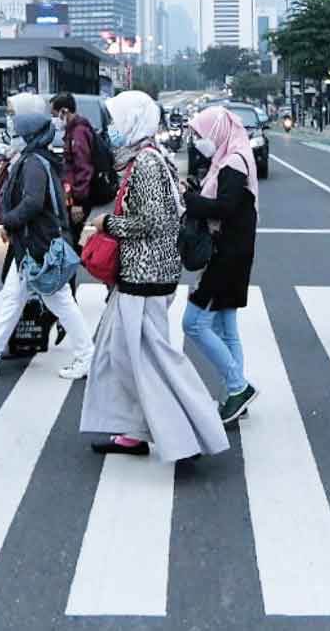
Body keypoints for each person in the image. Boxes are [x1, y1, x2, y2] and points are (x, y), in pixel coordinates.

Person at [80, 92, 229, 461]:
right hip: (144, 273)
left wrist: (105, 223)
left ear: (134, 121)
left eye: (116, 121)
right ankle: (136, 430)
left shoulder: (145, 163)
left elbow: (153, 221)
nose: (111, 130)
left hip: (145, 276)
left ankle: (189, 430)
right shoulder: (148, 157)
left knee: (149, 359)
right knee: (127, 356)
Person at [0, 94, 94, 379]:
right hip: (30, 242)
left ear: (29, 135)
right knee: (13, 298)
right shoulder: (32, 158)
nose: (12, 137)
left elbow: (32, 203)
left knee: (60, 302)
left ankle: (87, 356)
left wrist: (8, 220)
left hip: (39, 244)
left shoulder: (33, 163)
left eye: (17, 133)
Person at [181, 106, 259, 424]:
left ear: (218, 131)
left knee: (194, 323)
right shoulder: (228, 157)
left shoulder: (234, 162)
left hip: (226, 255)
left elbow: (225, 208)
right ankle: (235, 396)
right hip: (234, 251)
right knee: (226, 327)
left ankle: (239, 387)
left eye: (202, 134)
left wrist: (189, 200)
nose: (199, 140)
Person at [51, 93, 94, 257]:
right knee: (70, 242)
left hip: (79, 199)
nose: (54, 120)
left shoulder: (79, 133)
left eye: (55, 115)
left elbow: (83, 169)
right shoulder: (72, 131)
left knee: (70, 243)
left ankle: (101, 267)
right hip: (73, 196)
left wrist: (78, 202)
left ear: (64, 111)